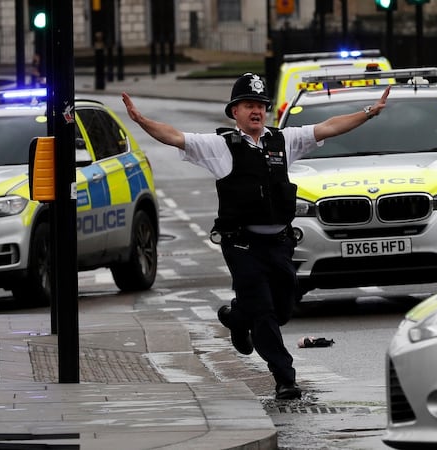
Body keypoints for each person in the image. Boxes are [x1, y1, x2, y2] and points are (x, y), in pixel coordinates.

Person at [122, 73, 390, 400]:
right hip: (242, 245)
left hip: (279, 243)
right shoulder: (221, 146)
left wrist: (368, 112)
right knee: (263, 313)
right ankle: (284, 378)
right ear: (234, 111)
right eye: (248, 105)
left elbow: (329, 126)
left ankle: (237, 317)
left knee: (283, 306)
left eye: (261, 106)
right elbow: (175, 136)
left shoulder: (283, 140)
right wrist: (140, 119)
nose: (256, 111)